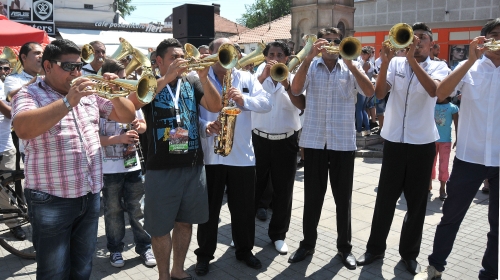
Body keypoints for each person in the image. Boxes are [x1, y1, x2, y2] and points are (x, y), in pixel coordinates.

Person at [11, 39, 135, 279]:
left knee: (82, 267)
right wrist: (68, 102)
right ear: (47, 66)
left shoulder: (88, 93)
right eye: (68, 67)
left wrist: (115, 93)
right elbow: (23, 128)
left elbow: (126, 114)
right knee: (53, 272)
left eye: (78, 66)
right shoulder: (29, 93)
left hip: (89, 195)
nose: (76, 72)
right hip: (51, 198)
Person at [356, 22, 449, 275]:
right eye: (413, 36)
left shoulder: (439, 66)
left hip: (422, 144)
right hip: (395, 142)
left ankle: (409, 254)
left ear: (431, 44)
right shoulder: (395, 62)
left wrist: (412, 62)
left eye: (422, 38)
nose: (416, 40)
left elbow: (435, 92)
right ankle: (374, 249)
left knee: (416, 203)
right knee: (384, 199)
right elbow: (379, 93)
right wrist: (386, 60)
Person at [126, 38, 222, 280]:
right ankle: (163, 275)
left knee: (185, 223)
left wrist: (203, 77)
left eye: (182, 56)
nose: (181, 60)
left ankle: (178, 270)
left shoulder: (191, 80)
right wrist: (167, 78)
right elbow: (132, 103)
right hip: (160, 169)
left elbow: (215, 104)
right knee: (159, 228)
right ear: (159, 61)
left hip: (192, 165)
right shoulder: (148, 82)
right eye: (174, 57)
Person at [415, 18, 500, 280]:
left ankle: (489, 273)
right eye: (495, 34)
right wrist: (472, 60)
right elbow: (441, 94)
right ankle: (435, 267)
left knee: (497, 226)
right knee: (451, 217)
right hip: (469, 157)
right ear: (483, 39)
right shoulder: (469, 67)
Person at [288, 27, 374, 270]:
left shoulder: (350, 66)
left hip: (342, 143)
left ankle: (344, 248)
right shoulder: (311, 67)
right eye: (328, 41)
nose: (333, 45)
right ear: (319, 44)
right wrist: (307, 57)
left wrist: (352, 63)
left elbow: (369, 92)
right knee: (312, 198)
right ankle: (307, 244)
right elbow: (295, 90)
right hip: (314, 141)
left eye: (338, 41)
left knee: (342, 198)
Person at [194, 37, 271, 276]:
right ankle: (204, 255)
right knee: (209, 211)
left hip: (241, 156)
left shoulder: (246, 78)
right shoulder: (198, 79)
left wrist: (243, 99)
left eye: (232, 50)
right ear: (211, 53)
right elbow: (192, 113)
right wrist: (205, 124)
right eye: (222, 50)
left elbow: (265, 103)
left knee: (244, 209)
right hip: (212, 156)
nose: (228, 54)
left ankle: (244, 250)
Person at [98, 58, 156, 268]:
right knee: (113, 212)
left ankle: (145, 246)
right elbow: (92, 138)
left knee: (138, 209)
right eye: (121, 80)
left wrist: (138, 126)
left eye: (124, 80)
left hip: (133, 165)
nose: (125, 84)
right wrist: (119, 139)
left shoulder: (129, 99)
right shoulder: (96, 101)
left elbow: (143, 125)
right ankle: (115, 249)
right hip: (108, 168)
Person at [252, 41, 305, 255]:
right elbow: (245, 98)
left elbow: (301, 104)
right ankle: (246, 235)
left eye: (280, 54)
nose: (275, 57)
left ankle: (279, 235)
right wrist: (263, 76)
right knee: (254, 188)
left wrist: (286, 84)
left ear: (287, 57)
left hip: (286, 140)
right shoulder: (257, 75)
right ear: (265, 57)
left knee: (284, 191)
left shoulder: (295, 77)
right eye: (271, 54)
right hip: (259, 139)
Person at [0, 58, 25, 240]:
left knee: (6, 190)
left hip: (4, 145)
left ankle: (14, 224)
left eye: (5, 68)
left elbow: (10, 113)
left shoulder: (7, 85)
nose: (3, 71)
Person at [429, 96, 458, 201]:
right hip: (431, 139)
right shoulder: (431, 105)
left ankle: (442, 188)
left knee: (444, 164)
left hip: (445, 141)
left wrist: (458, 138)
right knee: (430, 163)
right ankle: (429, 183)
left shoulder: (453, 108)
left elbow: (457, 124)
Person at [356, 46, 375, 136]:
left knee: (359, 109)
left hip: (363, 88)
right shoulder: (369, 62)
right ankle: (367, 129)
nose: (362, 55)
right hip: (366, 88)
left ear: (368, 55)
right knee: (362, 109)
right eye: (361, 53)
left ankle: (359, 130)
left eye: (364, 54)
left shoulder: (366, 63)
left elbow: (362, 76)